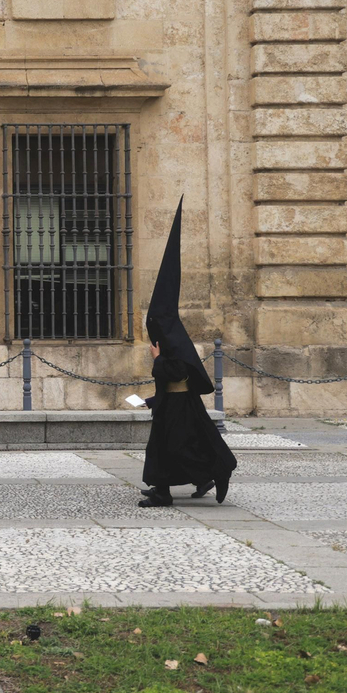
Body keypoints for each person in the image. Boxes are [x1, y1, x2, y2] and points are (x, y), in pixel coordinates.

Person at [137, 198, 237, 508]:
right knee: (177, 446)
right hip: (174, 402)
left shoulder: (173, 339)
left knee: (172, 447)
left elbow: (178, 370)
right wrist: (150, 399)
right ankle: (189, 482)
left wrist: (156, 360)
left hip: (180, 403)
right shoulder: (171, 336)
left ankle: (178, 487)